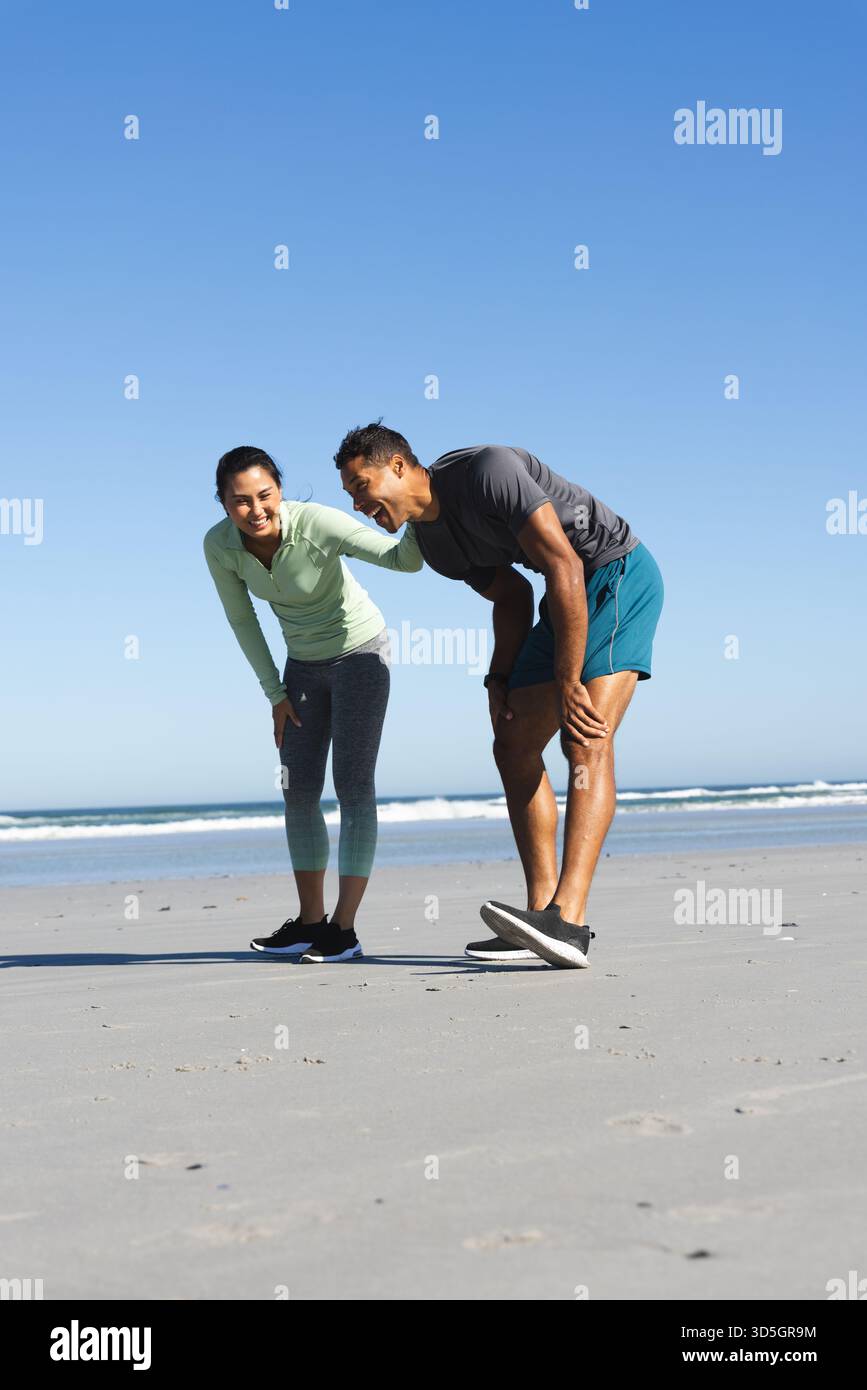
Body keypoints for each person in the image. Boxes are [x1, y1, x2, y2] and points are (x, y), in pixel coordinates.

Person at [334, 423, 663, 969]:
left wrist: (566, 677)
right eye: (349, 494)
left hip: (614, 574)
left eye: (360, 485)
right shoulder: (434, 546)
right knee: (511, 742)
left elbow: (563, 562)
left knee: (584, 740)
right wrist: (498, 678)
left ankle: (570, 920)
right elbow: (512, 595)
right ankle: (539, 916)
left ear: (396, 466)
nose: (358, 503)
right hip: (565, 596)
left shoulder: (487, 470)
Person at [203, 445, 422, 962]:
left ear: (279, 489)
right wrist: (275, 694)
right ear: (222, 503)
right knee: (298, 790)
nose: (255, 510)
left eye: (265, 495)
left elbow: (402, 560)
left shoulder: (318, 523)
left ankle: (343, 931)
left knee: (352, 786)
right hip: (301, 668)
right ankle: (309, 922)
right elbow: (242, 621)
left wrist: (416, 509)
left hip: (361, 656)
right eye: (239, 501)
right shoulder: (219, 546)